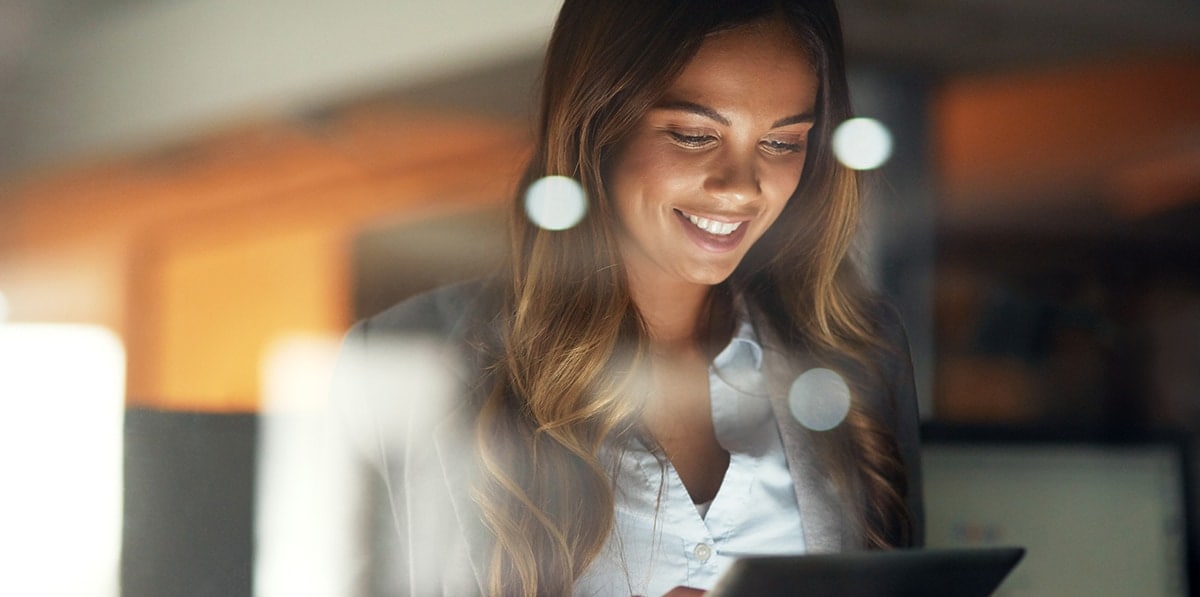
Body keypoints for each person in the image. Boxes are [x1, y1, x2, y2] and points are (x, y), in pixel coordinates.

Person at [334, 1, 923, 595]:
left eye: (782, 143)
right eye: (694, 136)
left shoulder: (860, 351)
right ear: (596, 127)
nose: (742, 189)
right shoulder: (407, 363)